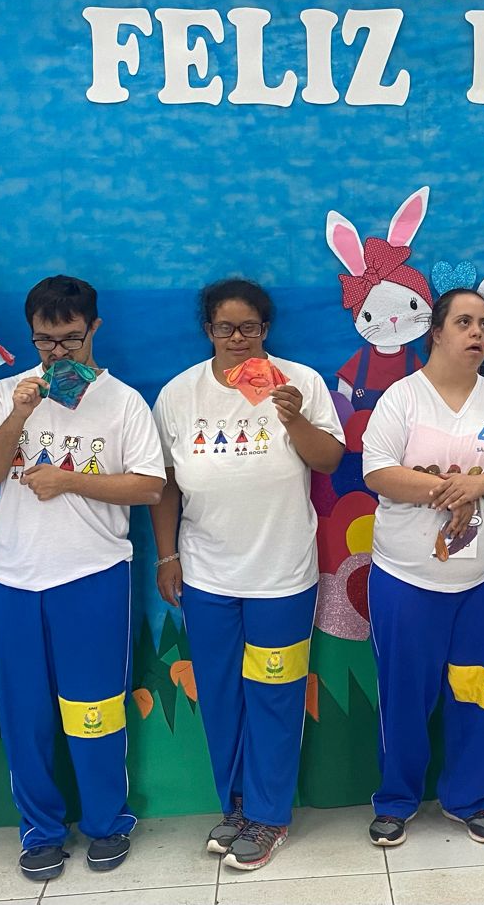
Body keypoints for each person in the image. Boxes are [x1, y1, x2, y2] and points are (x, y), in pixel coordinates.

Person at [0, 276, 165, 882]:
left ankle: (108, 823)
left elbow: (149, 487)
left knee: (95, 709)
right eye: (45, 341)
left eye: (71, 340)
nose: (58, 353)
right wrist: (19, 414)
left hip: (94, 574)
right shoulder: (8, 393)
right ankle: (40, 831)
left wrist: (70, 480)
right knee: (25, 714)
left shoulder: (124, 402)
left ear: (94, 329)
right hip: (16, 577)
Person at [150, 279, 345, 871]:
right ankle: (235, 807)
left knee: (275, 696)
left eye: (249, 328)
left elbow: (329, 459)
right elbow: (164, 483)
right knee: (220, 695)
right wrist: (167, 556)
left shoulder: (298, 382)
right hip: (207, 575)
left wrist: (293, 418)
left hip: (281, 575)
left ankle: (269, 816)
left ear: (266, 329)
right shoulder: (178, 393)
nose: (238, 339)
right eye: (225, 328)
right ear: (207, 330)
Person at [360, 288, 484, 847]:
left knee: (480, 689)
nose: (477, 333)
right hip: (406, 579)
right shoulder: (402, 398)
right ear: (435, 332)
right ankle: (396, 801)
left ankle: (469, 798)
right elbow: (377, 471)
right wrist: (449, 490)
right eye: (464, 322)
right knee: (404, 694)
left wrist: (478, 486)